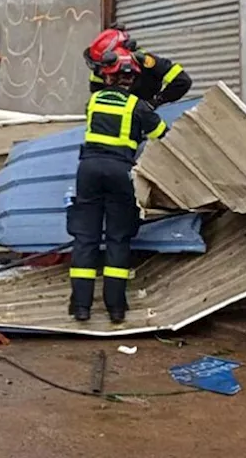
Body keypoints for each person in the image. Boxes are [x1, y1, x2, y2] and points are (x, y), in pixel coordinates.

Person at [69, 49, 168, 325]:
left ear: (108, 77)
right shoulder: (137, 106)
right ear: (132, 80)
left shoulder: (94, 101)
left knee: (85, 238)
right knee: (117, 238)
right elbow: (162, 134)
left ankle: (81, 307)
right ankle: (116, 309)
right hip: (120, 172)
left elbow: (96, 80)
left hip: (88, 170)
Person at [83, 25, 192, 107]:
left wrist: (155, 102)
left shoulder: (147, 62)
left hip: (147, 121)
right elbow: (96, 99)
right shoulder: (98, 71)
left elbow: (182, 81)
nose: (101, 72)